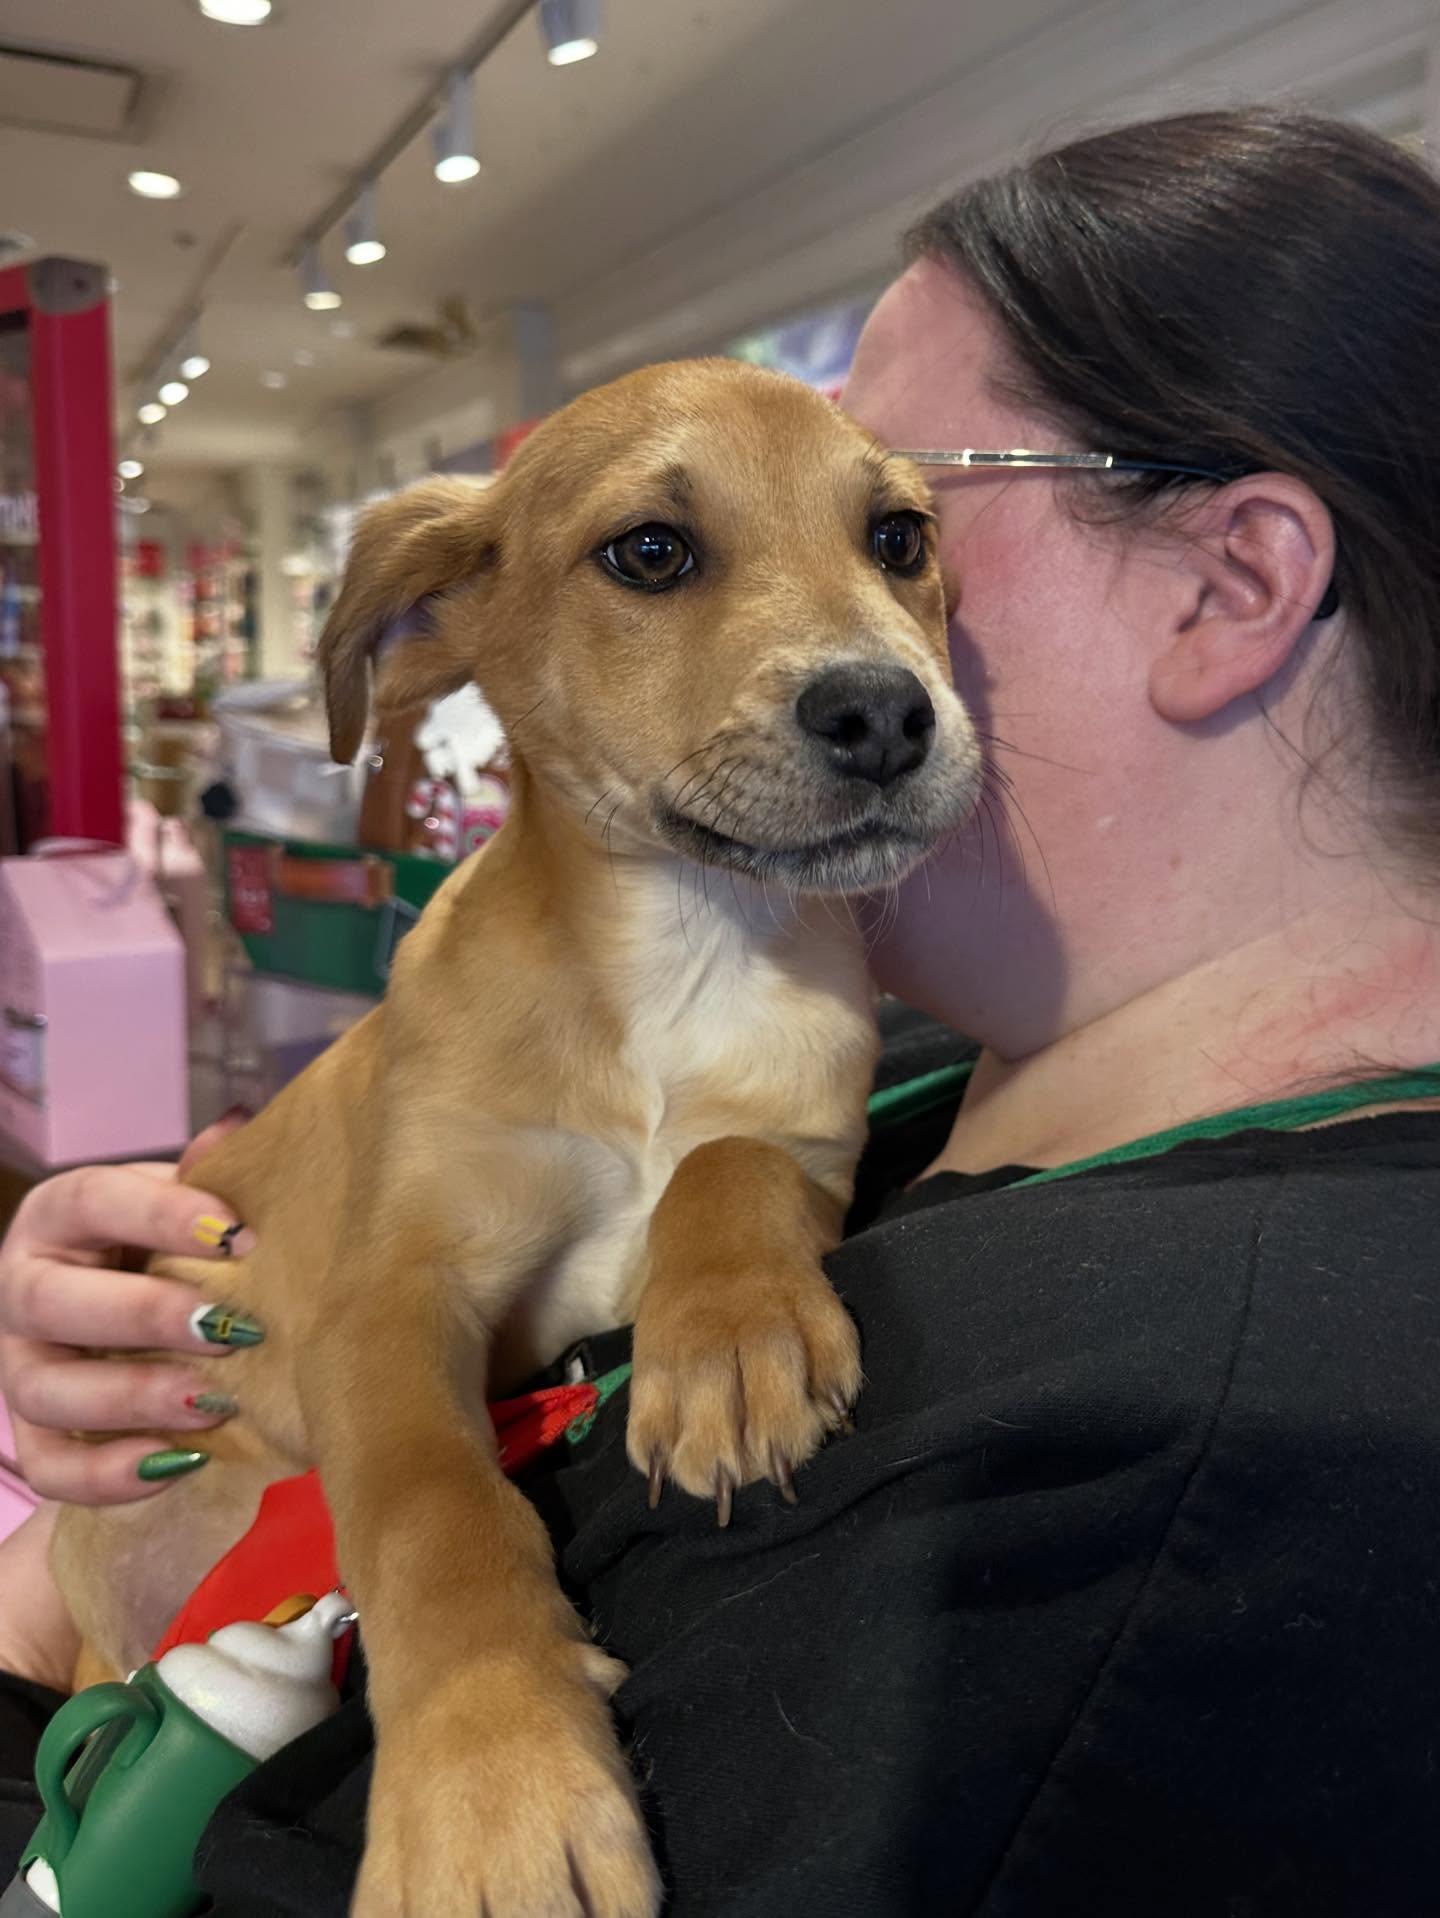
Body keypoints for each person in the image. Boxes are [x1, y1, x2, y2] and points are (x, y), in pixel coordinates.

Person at [3, 104, 1440, 1915]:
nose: (869, 652)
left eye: (908, 519)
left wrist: (30, 1632)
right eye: (668, 554)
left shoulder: (1152, 1474)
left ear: (1238, 580)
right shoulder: (947, 1040)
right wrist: (133, 1336)